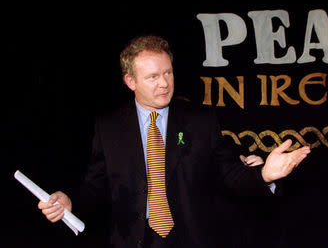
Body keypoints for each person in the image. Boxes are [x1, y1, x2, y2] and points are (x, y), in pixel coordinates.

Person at [38, 35, 310, 248]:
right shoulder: (109, 127)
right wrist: (71, 202)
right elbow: (97, 186)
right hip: (133, 240)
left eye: (168, 73)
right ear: (130, 81)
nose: (164, 83)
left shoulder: (202, 121)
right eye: (153, 77)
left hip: (192, 241)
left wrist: (264, 174)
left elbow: (228, 174)